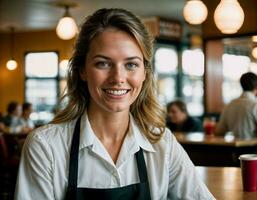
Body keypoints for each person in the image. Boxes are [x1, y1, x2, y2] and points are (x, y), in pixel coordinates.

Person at [15, 8, 214, 200]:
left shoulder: (163, 143)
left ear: (145, 73)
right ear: (82, 70)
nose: (118, 78)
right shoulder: (45, 146)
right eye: (103, 63)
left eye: (131, 65)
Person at [215, 72, 257, 139]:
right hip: (253, 148)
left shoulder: (230, 105)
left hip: (233, 148)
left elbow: (219, 132)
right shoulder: (254, 105)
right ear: (256, 87)